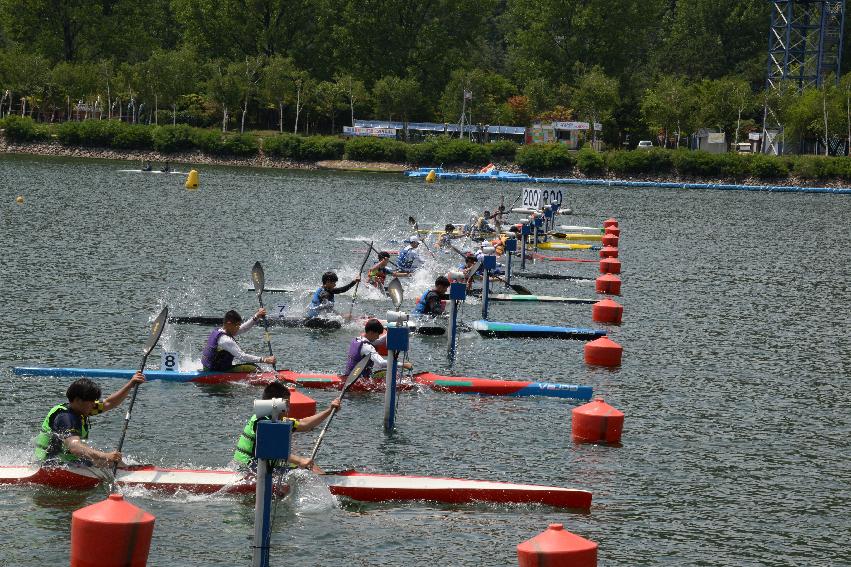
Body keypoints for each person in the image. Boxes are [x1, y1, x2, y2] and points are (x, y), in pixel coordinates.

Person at [35, 373, 146, 467]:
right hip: (51, 465)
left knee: (112, 462)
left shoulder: (81, 408)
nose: (94, 404)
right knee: (109, 462)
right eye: (91, 401)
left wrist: (130, 385)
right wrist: (106, 456)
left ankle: (127, 468)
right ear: (78, 400)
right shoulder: (65, 417)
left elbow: (109, 403)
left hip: (66, 461)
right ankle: (127, 471)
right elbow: (75, 448)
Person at [233, 381, 340, 473]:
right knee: (304, 469)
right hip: (247, 467)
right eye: (287, 404)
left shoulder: (277, 420)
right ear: (275, 404)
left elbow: (305, 424)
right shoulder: (261, 421)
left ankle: (326, 481)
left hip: (259, 463)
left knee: (310, 467)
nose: (288, 409)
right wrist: (300, 461)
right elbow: (271, 450)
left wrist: (329, 410)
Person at [201, 309, 276, 372]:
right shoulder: (225, 340)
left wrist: (257, 316)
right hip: (216, 370)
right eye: (237, 325)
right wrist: (265, 360)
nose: (238, 328)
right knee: (252, 367)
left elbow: (244, 328)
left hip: (208, 367)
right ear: (229, 324)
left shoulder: (221, 331)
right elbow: (242, 356)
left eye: (239, 325)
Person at [344, 319, 412, 384]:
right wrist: (403, 365)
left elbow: (378, 341)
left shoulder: (358, 339)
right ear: (371, 333)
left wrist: (391, 332)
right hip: (358, 380)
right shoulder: (367, 347)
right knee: (393, 374)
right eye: (377, 335)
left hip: (350, 376)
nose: (377, 337)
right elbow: (381, 363)